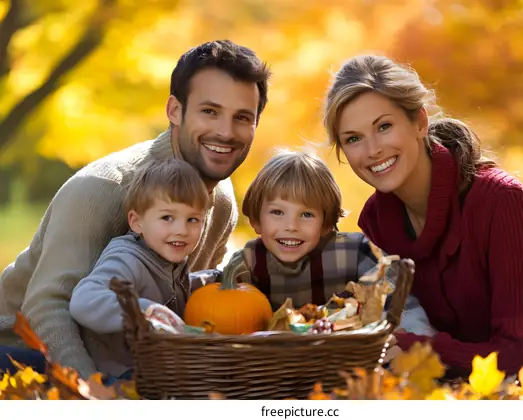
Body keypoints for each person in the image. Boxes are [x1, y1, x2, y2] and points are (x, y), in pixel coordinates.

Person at [0, 40, 272, 378]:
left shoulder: (222, 201)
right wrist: (98, 399)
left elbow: (195, 304)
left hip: (126, 363)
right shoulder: (103, 188)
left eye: (243, 117)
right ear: (174, 110)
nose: (225, 131)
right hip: (23, 355)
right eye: (209, 111)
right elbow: (46, 310)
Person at [322, 54, 523, 376]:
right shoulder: (376, 220)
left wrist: (417, 349)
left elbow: (521, 355)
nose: (372, 150)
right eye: (353, 139)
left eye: (384, 126)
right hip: (468, 379)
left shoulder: (501, 201)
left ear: (419, 122)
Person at [220, 149, 436, 337]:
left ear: (326, 224)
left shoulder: (353, 253)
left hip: (347, 360)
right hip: (274, 366)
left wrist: (415, 342)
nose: (291, 226)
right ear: (257, 221)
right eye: (277, 212)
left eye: (306, 215)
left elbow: (399, 302)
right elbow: (220, 308)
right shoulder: (249, 263)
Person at [69, 158, 209, 382]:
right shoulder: (127, 258)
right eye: (167, 217)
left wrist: (210, 282)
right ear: (136, 222)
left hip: (152, 369)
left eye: (193, 219)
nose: (181, 230)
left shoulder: (169, 258)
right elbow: (84, 299)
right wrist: (143, 311)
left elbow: (171, 290)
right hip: (115, 374)